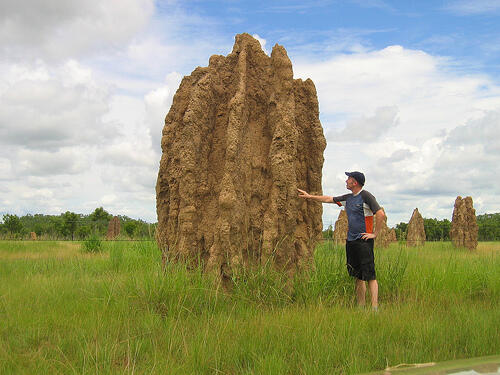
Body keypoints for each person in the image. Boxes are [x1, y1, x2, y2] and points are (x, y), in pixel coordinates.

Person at [298, 171, 385, 309]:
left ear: (355, 182)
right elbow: (328, 199)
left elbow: (380, 214)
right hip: (351, 242)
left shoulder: (366, 196)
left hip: (364, 242)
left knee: (370, 276)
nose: (346, 181)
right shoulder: (348, 198)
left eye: (348, 179)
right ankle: (361, 307)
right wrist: (309, 197)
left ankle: (374, 308)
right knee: (357, 276)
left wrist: (375, 234)